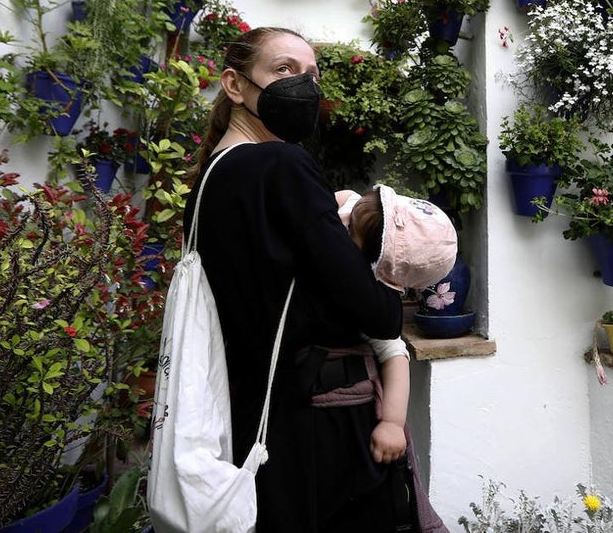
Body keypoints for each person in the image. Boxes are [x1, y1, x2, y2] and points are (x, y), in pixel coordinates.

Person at [185, 27, 407, 533]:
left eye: (311, 75)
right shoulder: (282, 164)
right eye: (284, 70)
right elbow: (372, 311)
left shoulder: (209, 180)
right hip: (316, 422)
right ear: (235, 85)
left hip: (253, 412)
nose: (303, 86)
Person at [334, 185, 458, 469]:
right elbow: (343, 198)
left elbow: (395, 355)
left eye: (350, 231)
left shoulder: (365, 302)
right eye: (353, 214)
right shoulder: (352, 204)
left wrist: (392, 422)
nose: (341, 222)